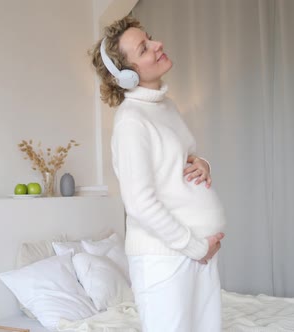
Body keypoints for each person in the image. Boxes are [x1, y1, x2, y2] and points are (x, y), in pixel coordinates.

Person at [90, 16, 226, 332]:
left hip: (195, 255)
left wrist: (202, 163)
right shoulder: (131, 123)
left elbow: (183, 157)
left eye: (150, 38)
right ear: (127, 76)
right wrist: (196, 248)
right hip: (166, 259)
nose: (157, 44)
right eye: (144, 48)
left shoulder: (166, 106)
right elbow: (139, 204)